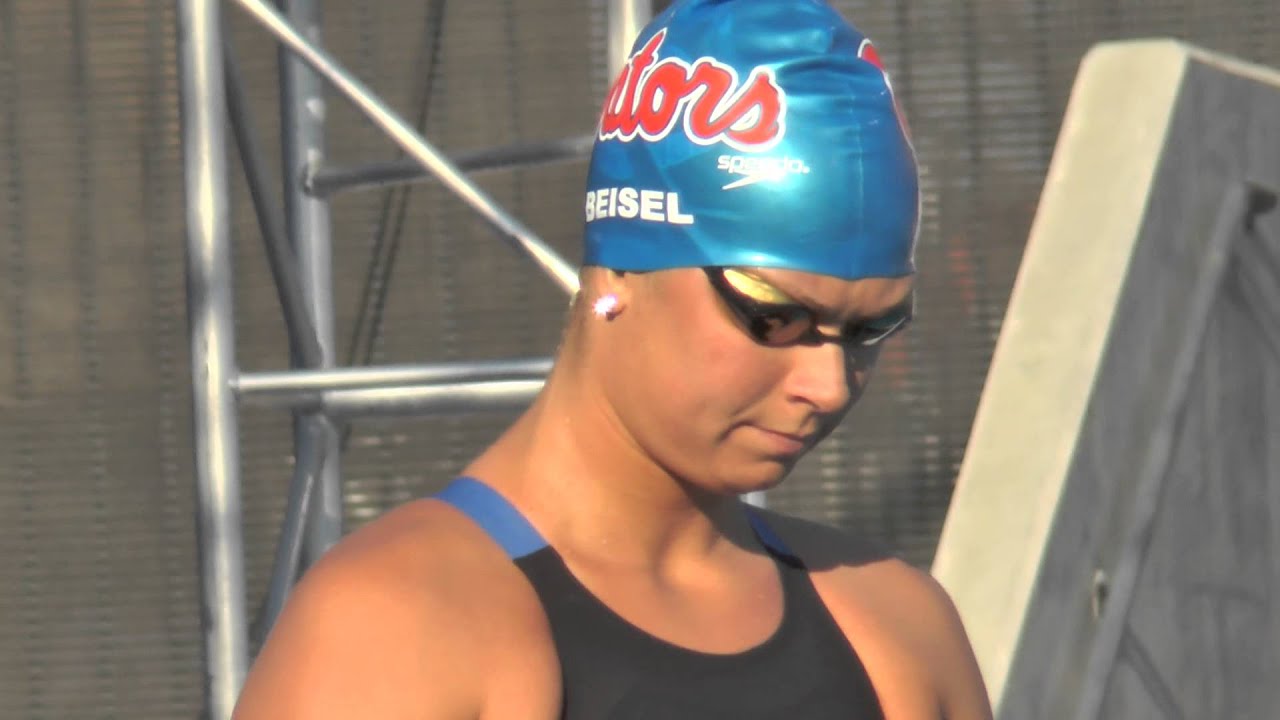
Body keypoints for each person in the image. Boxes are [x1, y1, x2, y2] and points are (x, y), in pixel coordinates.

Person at [234, 0, 992, 717]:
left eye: (868, 332)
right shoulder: (402, 628)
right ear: (619, 269)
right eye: (774, 317)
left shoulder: (897, 632)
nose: (827, 385)